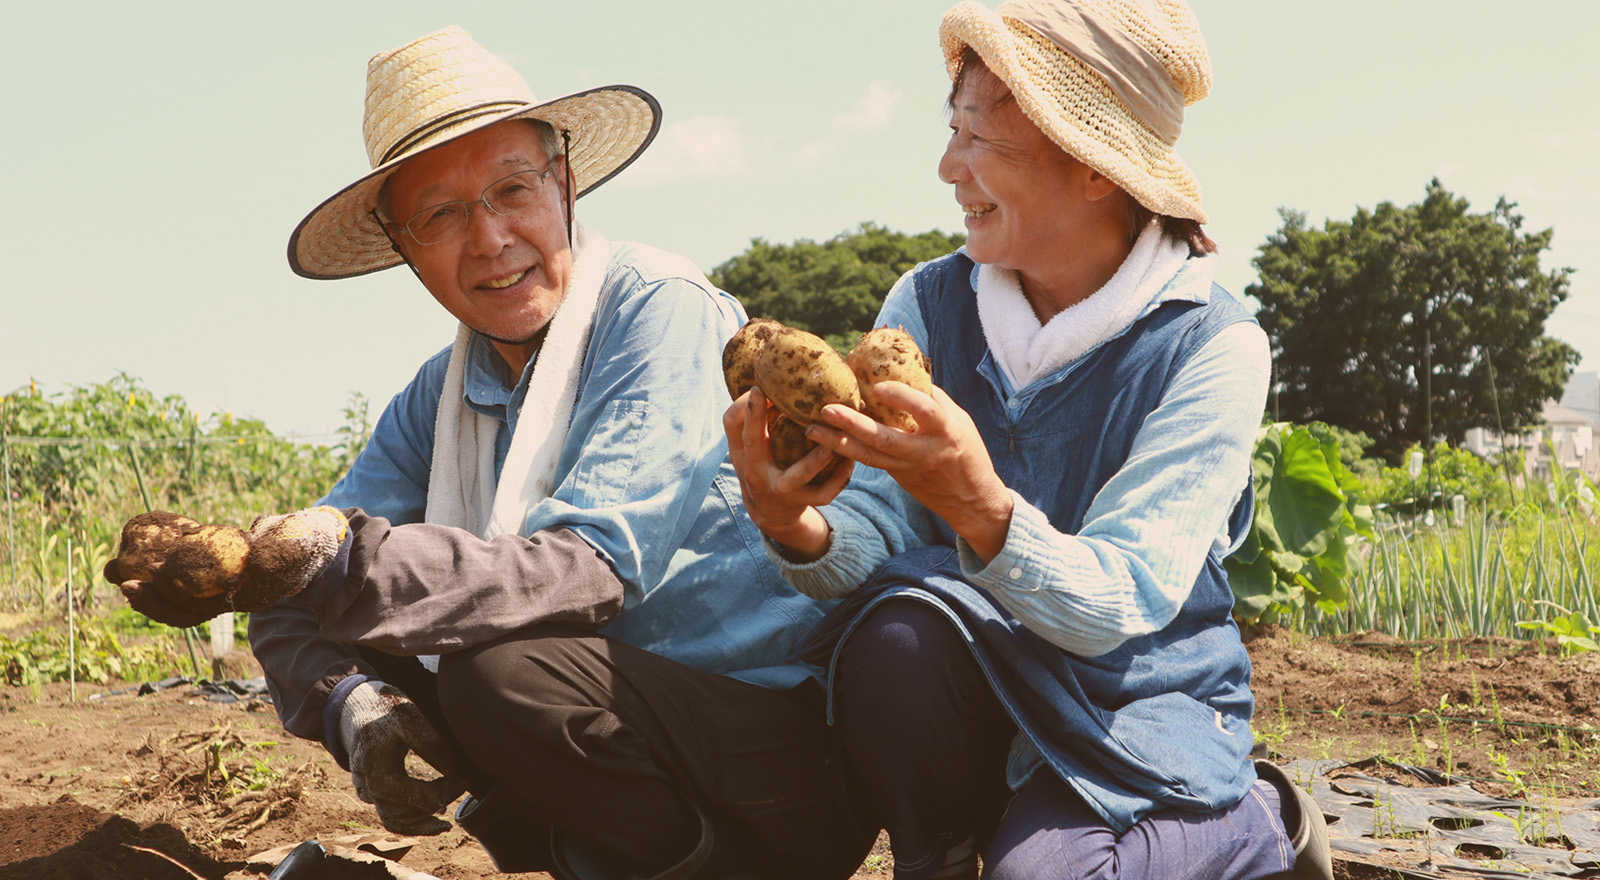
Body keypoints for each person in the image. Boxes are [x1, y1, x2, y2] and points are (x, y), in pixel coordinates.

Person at [111, 26, 875, 880]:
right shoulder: (438, 400)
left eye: (514, 189)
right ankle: (595, 852)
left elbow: (593, 567)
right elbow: (291, 605)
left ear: (568, 186)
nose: (491, 238)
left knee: (488, 664)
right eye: (440, 214)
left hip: (777, 761)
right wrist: (352, 705)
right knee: (387, 609)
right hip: (622, 739)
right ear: (403, 247)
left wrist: (336, 561)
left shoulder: (657, 310)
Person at [724, 1, 1333, 878]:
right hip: (976, 680)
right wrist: (797, 524)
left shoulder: (1212, 348)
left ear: (1094, 167)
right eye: (952, 129)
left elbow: (1121, 598)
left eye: (981, 139)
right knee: (897, 629)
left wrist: (981, 506)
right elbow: (880, 540)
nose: (948, 167)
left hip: (1134, 704)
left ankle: (1262, 822)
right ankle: (938, 856)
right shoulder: (929, 305)